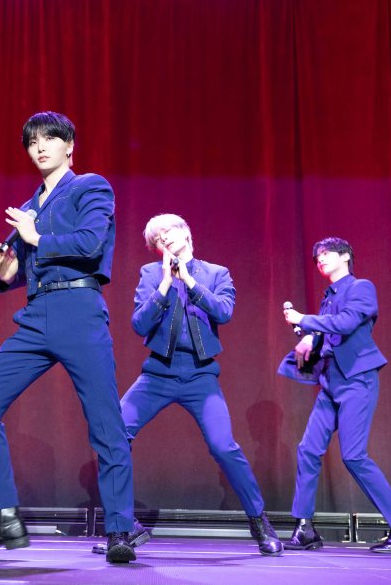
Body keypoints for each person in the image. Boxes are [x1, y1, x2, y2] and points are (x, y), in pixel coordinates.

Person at [0, 111, 137, 564]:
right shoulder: (30, 204)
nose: (39, 147)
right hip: (38, 315)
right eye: (32, 141)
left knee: (106, 425)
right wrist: (8, 273)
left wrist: (35, 235)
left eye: (49, 139)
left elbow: (90, 242)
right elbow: (25, 266)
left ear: (69, 146)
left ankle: (120, 530)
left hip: (79, 310)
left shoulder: (91, 187)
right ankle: (5, 517)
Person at [98, 214, 282, 556]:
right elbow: (139, 324)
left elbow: (224, 311)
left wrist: (191, 283)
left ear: (185, 232)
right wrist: (166, 284)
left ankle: (260, 523)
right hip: (158, 374)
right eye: (157, 239)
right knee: (113, 436)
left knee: (224, 446)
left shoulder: (216, 273)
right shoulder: (151, 274)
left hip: (200, 376)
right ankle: (121, 529)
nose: (163, 239)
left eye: (168, 232)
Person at [280, 237, 391, 553]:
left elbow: (345, 323)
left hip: (357, 380)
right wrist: (311, 338)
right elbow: (329, 331)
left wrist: (304, 320)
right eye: (317, 256)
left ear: (345, 256)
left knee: (353, 455)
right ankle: (304, 528)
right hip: (331, 381)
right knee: (308, 449)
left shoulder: (361, 288)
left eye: (326, 253)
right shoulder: (328, 297)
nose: (320, 259)